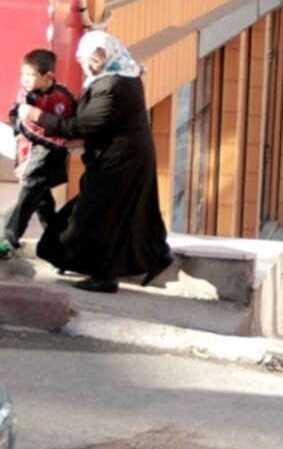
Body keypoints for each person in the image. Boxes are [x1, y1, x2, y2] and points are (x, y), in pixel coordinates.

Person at [18, 30, 172, 293]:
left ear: (106, 54)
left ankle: (104, 275)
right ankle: (157, 255)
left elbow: (82, 126)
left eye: (93, 59)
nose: (88, 65)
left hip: (119, 161)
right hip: (124, 156)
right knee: (132, 212)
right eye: (84, 59)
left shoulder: (112, 86)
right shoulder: (121, 75)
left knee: (97, 217)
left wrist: (37, 115)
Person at [2, 49, 77, 260]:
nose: (25, 80)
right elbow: (24, 125)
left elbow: (71, 124)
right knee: (37, 198)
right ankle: (56, 247)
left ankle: (12, 240)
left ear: (48, 76)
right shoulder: (25, 96)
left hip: (51, 156)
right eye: (23, 74)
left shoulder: (64, 96)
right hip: (31, 153)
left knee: (33, 195)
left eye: (31, 75)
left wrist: (59, 139)